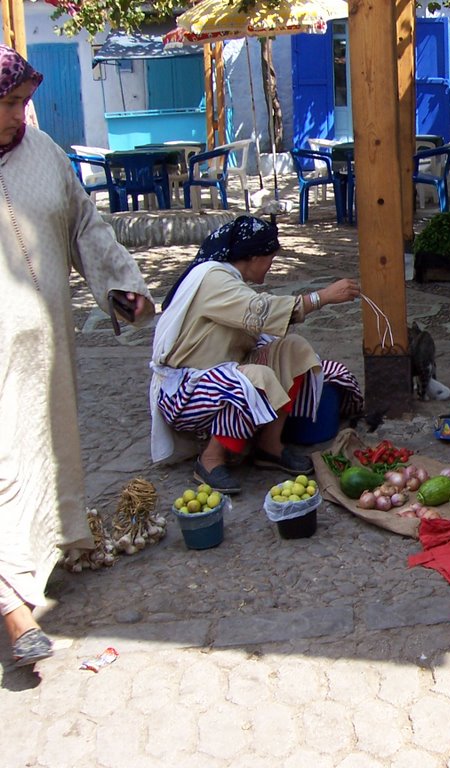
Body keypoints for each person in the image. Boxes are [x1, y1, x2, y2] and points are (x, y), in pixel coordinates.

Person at [0, 46, 155, 668]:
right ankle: (14, 613)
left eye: (20, 102)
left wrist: (121, 283)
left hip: (45, 353)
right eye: (8, 103)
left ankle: (34, 566)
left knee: (44, 454)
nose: (19, 114)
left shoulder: (43, 154)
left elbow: (85, 224)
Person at [150, 215, 364, 494]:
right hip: (186, 390)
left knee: (294, 349)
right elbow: (259, 310)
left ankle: (269, 445)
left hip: (221, 375)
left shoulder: (227, 278)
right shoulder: (213, 280)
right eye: (269, 259)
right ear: (251, 257)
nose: (271, 266)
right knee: (254, 378)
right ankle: (211, 459)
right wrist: (321, 297)